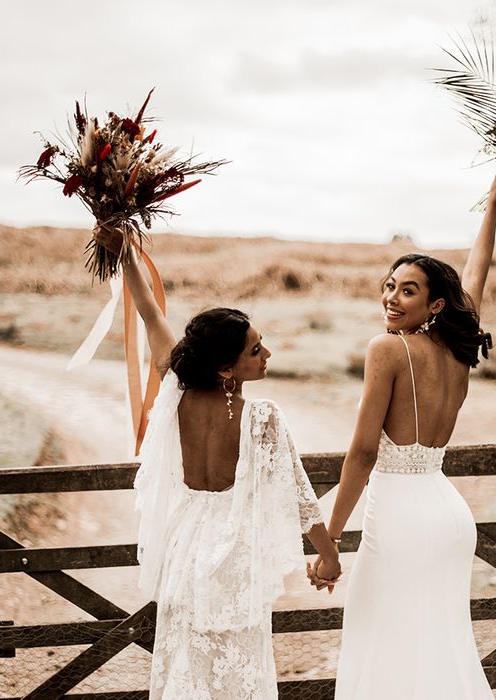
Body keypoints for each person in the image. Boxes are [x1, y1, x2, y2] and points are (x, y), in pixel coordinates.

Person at [94, 228, 341, 700]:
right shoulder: (262, 416)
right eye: (255, 350)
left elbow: (148, 310)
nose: (267, 354)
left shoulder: (178, 387)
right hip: (234, 562)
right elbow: (299, 495)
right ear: (226, 369)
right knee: (238, 674)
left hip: (185, 554)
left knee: (191, 669)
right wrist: (328, 556)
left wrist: (123, 250)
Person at [308, 170, 496, 699]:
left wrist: (330, 539)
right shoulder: (457, 347)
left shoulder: (388, 350)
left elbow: (362, 454)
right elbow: (477, 271)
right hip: (447, 515)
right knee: (436, 645)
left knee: (384, 643)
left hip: (403, 519)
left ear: (434, 306)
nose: (392, 298)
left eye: (408, 291)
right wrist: (494, 204)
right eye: (389, 286)